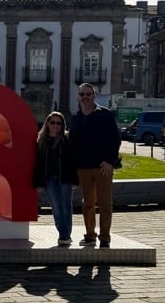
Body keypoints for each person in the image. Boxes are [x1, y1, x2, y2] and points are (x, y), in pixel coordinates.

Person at [69, 83, 121, 247]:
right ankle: (90, 235)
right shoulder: (75, 117)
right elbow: (73, 143)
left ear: (94, 96)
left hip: (102, 167)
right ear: (78, 97)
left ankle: (105, 237)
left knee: (105, 203)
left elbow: (115, 139)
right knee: (87, 203)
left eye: (88, 94)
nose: (85, 97)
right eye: (82, 94)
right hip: (83, 167)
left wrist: (110, 161)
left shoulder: (105, 115)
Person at [33, 111, 77, 246]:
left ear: (62, 125)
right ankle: (64, 234)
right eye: (52, 122)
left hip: (65, 177)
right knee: (56, 206)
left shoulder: (67, 139)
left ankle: (64, 236)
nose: (55, 125)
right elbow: (38, 163)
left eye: (59, 123)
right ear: (47, 123)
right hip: (49, 179)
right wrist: (39, 182)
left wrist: (75, 180)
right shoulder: (40, 140)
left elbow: (73, 160)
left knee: (66, 206)